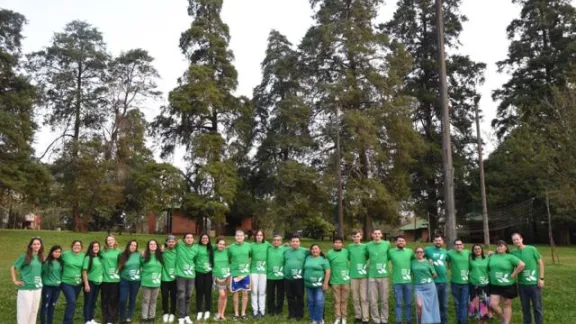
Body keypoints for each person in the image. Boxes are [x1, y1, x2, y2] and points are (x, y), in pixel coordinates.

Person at [488, 240, 525, 324]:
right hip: (494, 285)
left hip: (508, 285)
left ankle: (506, 323)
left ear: (506, 248)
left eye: (501, 246)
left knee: (507, 304)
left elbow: (522, 264)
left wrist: (514, 274)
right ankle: (502, 318)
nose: (499, 247)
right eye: (498, 246)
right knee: (493, 304)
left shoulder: (510, 257)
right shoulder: (492, 256)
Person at [511, 233, 544, 324]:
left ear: (522, 239)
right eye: (514, 240)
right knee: (525, 308)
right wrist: (492, 253)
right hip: (522, 284)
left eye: (517, 239)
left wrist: (541, 278)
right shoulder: (513, 252)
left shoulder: (532, 249)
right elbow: (504, 255)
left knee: (537, 307)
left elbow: (540, 263)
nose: (516, 241)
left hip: (534, 284)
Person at [11, 237, 44, 324]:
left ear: (40, 245)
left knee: (34, 311)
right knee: (24, 311)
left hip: (37, 287)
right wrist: (15, 280)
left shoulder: (41, 256)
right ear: (31, 245)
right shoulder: (25, 256)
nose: (36, 245)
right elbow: (13, 267)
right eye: (34, 244)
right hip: (26, 287)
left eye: (38, 244)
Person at [366, 229, 390, 324]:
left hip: (384, 275)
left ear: (381, 235)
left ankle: (384, 319)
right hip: (372, 275)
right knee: (373, 300)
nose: (377, 235)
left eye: (378, 233)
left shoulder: (386, 244)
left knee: (384, 299)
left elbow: (388, 256)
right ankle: (376, 319)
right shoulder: (368, 245)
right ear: (372, 235)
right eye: (375, 233)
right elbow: (366, 256)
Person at [388, 235, 414, 324]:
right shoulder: (391, 252)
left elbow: (417, 260)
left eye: (403, 241)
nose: (401, 242)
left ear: (405, 242)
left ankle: (408, 321)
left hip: (408, 282)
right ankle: (398, 321)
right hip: (397, 282)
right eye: (399, 241)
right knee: (398, 304)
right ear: (395, 242)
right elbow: (382, 259)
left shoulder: (410, 252)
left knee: (408, 304)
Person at [411, 246, 440, 324]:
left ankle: (431, 321)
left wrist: (428, 279)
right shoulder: (412, 262)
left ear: (423, 253)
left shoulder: (428, 262)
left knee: (431, 306)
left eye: (421, 252)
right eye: (417, 252)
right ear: (415, 253)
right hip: (418, 287)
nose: (419, 253)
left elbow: (434, 274)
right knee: (419, 306)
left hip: (430, 287)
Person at [424, 234, 448, 324]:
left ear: (443, 242)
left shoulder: (445, 252)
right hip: (432, 282)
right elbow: (418, 257)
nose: (438, 242)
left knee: (444, 305)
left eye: (440, 240)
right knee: (432, 304)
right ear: (433, 241)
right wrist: (427, 261)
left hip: (444, 282)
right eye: (436, 240)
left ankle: (443, 322)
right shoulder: (427, 250)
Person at [304, 244, 331, 324]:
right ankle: (313, 319)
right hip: (309, 285)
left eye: (316, 249)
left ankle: (319, 319)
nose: (314, 250)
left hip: (319, 285)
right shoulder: (308, 258)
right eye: (313, 249)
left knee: (319, 301)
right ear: (310, 251)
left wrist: (325, 283)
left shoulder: (323, 259)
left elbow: (328, 272)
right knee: (311, 302)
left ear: (320, 251)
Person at [228, 230, 252, 320]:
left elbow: (250, 256)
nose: (239, 237)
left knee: (245, 293)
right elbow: (228, 258)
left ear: (244, 236)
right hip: (235, 274)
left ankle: (243, 313)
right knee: (235, 293)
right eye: (237, 235)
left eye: (241, 235)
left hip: (245, 274)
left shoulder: (248, 246)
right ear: (235, 237)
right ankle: (236, 313)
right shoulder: (231, 247)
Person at [61, 240, 86, 324]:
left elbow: (85, 269)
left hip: (78, 284)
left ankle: (68, 319)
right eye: (75, 245)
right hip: (66, 282)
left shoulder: (84, 256)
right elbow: (55, 259)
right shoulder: (65, 254)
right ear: (72, 246)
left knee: (72, 303)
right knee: (72, 301)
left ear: (81, 247)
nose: (77, 246)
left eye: (79, 245)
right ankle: (67, 322)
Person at [175, 233, 198, 324]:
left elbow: (195, 260)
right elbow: (169, 243)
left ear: (193, 239)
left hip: (191, 275)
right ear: (184, 239)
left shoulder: (196, 248)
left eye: (191, 238)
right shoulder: (179, 246)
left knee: (188, 296)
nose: (189, 239)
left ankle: (187, 316)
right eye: (187, 238)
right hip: (180, 275)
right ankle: (181, 316)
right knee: (181, 295)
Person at [447, 239, 471, 324]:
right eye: (456, 244)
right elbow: (440, 258)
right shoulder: (450, 253)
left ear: (463, 245)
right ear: (454, 246)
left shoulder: (468, 252)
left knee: (464, 304)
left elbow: (479, 255)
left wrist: (491, 254)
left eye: (460, 244)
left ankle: (464, 321)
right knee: (457, 304)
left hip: (466, 283)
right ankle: (459, 320)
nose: (458, 246)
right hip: (455, 282)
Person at [284, 235, 308, 320]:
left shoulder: (305, 251)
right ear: (290, 242)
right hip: (288, 278)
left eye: (297, 241)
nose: (295, 243)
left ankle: (299, 314)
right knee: (290, 297)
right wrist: (285, 245)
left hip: (299, 278)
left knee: (299, 296)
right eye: (293, 241)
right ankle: (291, 313)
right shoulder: (286, 250)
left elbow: (315, 251)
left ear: (299, 242)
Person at [118, 240, 142, 323]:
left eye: (135, 245)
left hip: (136, 281)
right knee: (123, 299)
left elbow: (144, 264)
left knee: (132, 299)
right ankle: (122, 316)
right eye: (131, 245)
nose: (133, 247)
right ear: (128, 245)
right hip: (124, 280)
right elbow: (119, 266)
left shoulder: (139, 255)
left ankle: (129, 316)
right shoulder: (122, 255)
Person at [328, 236, 350, 324]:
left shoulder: (346, 252)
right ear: (333, 243)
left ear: (342, 244)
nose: (337, 244)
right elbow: (327, 267)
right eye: (336, 242)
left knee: (344, 300)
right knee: (337, 300)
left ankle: (344, 317)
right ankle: (338, 317)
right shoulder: (329, 253)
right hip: (335, 280)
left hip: (345, 280)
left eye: (339, 242)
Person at [348, 230, 369, 324]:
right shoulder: (349, 247)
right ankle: (358, 316)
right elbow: (349, 258)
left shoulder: (365, 246)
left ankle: (365, 318)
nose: (356, 238)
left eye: (357, 236)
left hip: (364, 275)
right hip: (353, 275)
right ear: (352, 238)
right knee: (355, 297)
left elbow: (369, 257)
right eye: (354, 236)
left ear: (360, 237)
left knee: (364, 297)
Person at [141, 239, 164, 323]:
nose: (153, 245)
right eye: (151, 244)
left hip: (156, 282)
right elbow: (139, 265)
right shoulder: (144, 255)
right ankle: (144, 317)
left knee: (153, 300)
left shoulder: (160, 256)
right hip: (146, 281)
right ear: (148, 246)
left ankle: (151, 316)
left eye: (154, 244)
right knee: (146, 300)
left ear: (157, 246)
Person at [100, 235, 121, 324]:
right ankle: (105, 318)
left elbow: (122, 264)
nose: (110, 241)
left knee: (113, 300)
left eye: (112, 239)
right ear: (106, 242)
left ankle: (111, 320)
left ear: (115, 240)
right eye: (108, 240)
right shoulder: (102, 251)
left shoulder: (119, 251)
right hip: (104, 279)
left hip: (115, 279)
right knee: (105, 299)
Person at [250, 230, 270, 318]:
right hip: (253, 271)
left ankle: (262, 311)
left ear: (263, 236)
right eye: (257, 235)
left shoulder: (267, 244)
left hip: (263, 271)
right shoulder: (251, 245)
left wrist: (284, 246)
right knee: (254, 291)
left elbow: (276, 247)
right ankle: (255, 311)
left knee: (262, 292)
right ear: (255, 236)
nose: (259, 236)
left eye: (261, 235)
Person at [469, 244, 491, 324]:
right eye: (475, 249)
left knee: (484, 303)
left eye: (479, 248)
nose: (477, 250)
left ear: (481, 250)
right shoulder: (470, 259)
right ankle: (478, 320)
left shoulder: (487, 259)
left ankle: (485, 321)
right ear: (473, 251)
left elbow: (490, 269)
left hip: (484, 284)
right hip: (474, 284)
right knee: (476, 303)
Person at [40, 245, 62, 324]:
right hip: (47, 287)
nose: (57, 253)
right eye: (56, 252)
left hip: (57, 288)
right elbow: (41, 273)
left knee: (52, 305)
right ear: (52, 252)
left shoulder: (60, 262)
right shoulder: (47, 262)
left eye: (59, 252)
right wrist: (42, 284)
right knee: (45, 305)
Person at [82, 241, 103, 324]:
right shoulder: (88, 258)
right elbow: (84, 272)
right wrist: (86, 284)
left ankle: (91, 319)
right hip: (90, 282)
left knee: (93, 301)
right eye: (94, 246)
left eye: (97, 246)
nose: (96, 248)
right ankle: (87, 320)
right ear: (91, 248)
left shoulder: (99, 257)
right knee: (88, 301)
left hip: (98, 283)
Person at [195, 234, 215, 321]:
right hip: (198, 272)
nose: (205, 239)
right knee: (199, 291)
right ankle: (199, 310)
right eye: (203, 238)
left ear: (209, 239)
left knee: (208, 291)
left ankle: (207, 310)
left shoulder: (211, 247)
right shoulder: (196, 247)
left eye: (206, 238)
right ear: (200, 239)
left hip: (208, 272)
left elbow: (223, 246)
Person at [266, 234, 286, 317]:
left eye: (278, 240)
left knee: (280, 294)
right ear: (272, 241)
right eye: (274, 240)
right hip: (270, 276)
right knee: (270, 294)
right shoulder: (268, 248)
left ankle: (279, 310)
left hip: (281, 276)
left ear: (281, 242)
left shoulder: (285, 249)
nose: (276, 241)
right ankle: (271, 310)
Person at [214, 237, 231, 321]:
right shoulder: (213, 252)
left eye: (223, 244)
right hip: (217, 276)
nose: (221, 246)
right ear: (217, 244)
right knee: (222, 295)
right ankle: (218, 313)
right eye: (220, 244)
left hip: (227, 275)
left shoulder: (227, 251)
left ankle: (222, 314)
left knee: (225, 295)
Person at [161, 235, 178, 323]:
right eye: (169, 242)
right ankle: (165, 312)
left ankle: (172, 312)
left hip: (175, 278)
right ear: (166, 243)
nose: (171, 243)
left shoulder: (177, 251)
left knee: (173, 296)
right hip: (164, 278)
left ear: (175, 243)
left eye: (173, 241)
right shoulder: (163, 251)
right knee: (164, 295)